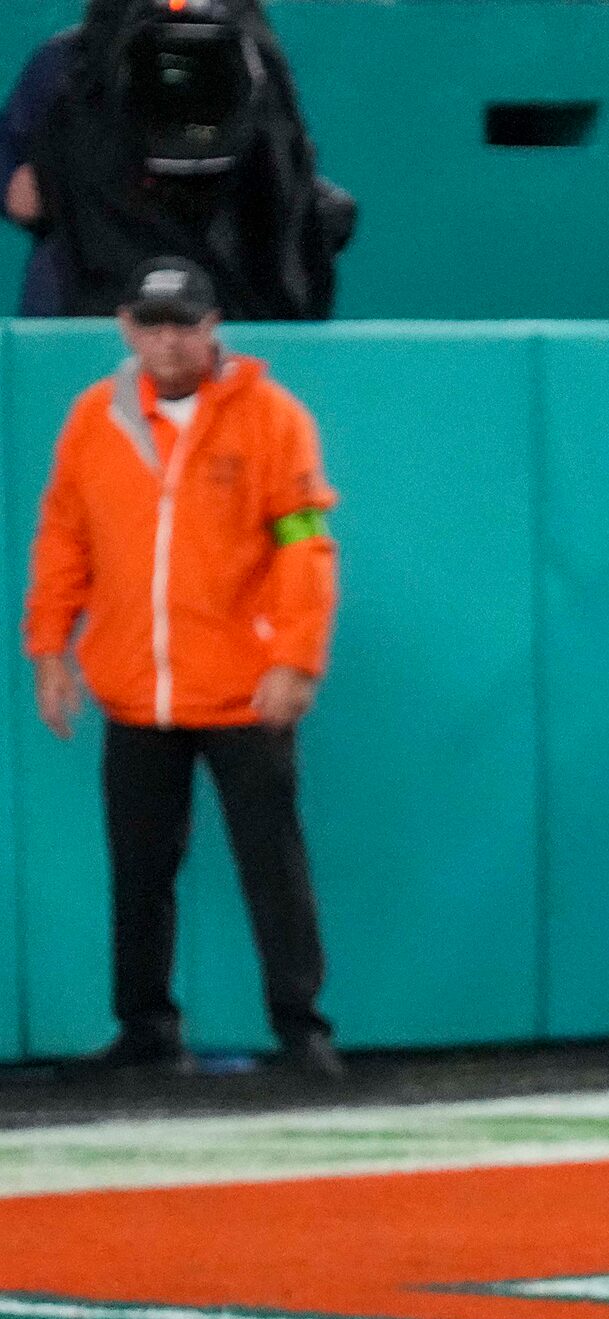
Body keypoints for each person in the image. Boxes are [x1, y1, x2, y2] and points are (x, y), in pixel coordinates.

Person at [21, 258, 342, 1080]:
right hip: (135, 689)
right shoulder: (94, 419)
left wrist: (295, 659)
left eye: (184, 324)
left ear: (212, 327)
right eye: (152, 323)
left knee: (273, 867)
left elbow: (305, 545)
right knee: (139, 870)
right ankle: (145, 1028)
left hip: (243, 689)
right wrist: (48, 649)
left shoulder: (274, 419)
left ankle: (302, 1030)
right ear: (127, 328)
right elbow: (64, 541)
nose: (168, 341)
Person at [29, 0, 350, 320]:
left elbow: (286, 194)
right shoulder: (80, 76)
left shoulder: (256, 60)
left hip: (240, 311)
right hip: (116, 308)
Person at [0, 27, 75, 314]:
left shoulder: (225, 47)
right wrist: (11, 182)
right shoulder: (64, 58)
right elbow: (9, 156)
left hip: (211, 270)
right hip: (71, 282)